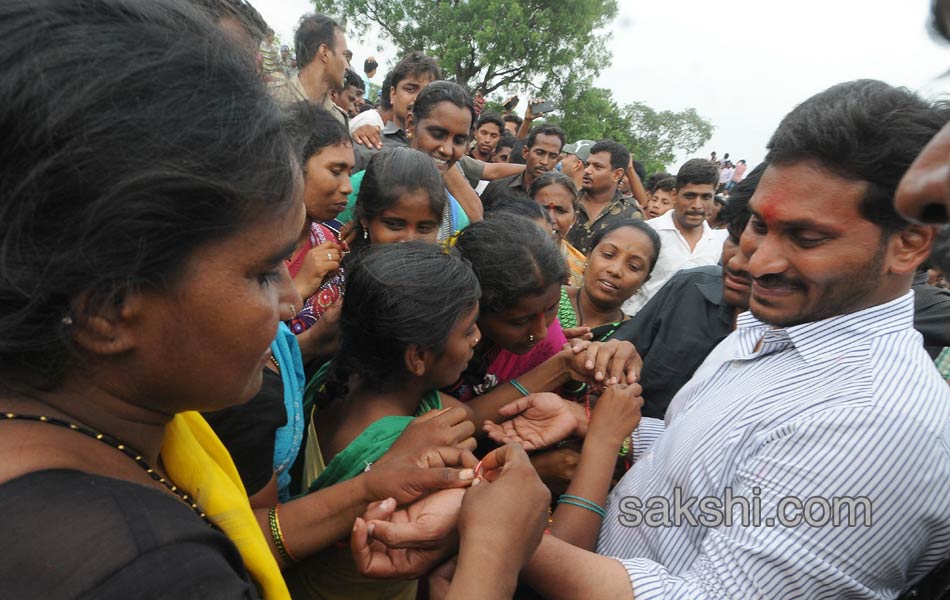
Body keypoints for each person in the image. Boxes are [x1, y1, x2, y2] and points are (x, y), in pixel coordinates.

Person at [492, 79, 950, 600]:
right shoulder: (770, 327)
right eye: (758, 224)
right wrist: (595, 423)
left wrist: (494, 529)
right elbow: (702, 461)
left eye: (806, 238)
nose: (756, 260)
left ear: (909, 244)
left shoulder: (876, 423)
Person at [284, 243, 482, 600]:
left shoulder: (335, 378)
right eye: (468, 330)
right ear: (419, 357)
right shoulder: (418, 454)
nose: (477, 338)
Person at [612, 163, 762, 418]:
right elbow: (622, 350)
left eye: (706, 197)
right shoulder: (685, 283)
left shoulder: (781, 344)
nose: (736, 262)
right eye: (734, 241)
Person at [282, 103, 352, 340]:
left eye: (349, 173)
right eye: (335, 171)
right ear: (292, 165)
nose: (348, 187)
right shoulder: (248, 245)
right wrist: (298, 288)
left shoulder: (330, 240)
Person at [622, 158, 727, 315]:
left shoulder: (716, 244)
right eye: (690, 196)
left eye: (706, 197)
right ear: (675, 195)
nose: (697, 205)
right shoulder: (648, 232)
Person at [558, 221, 661, 342]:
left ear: (644, 281)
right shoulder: (547, 299)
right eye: (608, 255)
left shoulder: (632, 338)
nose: (615, 270)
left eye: (633, 266)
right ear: (589, 255)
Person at [350, 146, 447, 248]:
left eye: (424, 228)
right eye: (394, 225)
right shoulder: (338, 262)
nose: (409, 240)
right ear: (364, 219)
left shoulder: (449, 262)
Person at [567, 140, 644, 255]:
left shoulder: (630, 214)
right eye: (588, 164)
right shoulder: (568, 200)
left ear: (617, 174)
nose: (588, 171)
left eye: (597, 167)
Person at [276, 13, 348, 125]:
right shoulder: (273, 98)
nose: (347, 66)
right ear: (324, 53)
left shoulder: (338, 120)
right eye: (344, 55)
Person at [530, 171, 587, 286]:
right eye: (543, 209)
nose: (551, 218)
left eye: (560, 211)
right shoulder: (506, 255)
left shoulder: (583, 270)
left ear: (574, 218)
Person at [481, 124, 565, 196]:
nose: (545, 161)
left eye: (552, 156)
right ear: (526, 152)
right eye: (539, 153)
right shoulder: (498, 189)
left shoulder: (560, 197)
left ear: (558, 160)